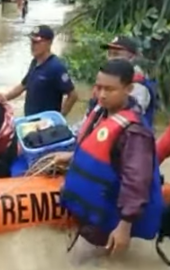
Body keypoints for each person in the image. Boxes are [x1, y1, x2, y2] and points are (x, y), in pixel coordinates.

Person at [55, 59, 163, 264]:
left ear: (128, 89)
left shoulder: (134, 133)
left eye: (110, 89)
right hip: (89, 209)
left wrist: (124, 226)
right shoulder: (101, 113)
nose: (102, 94)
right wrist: (71, 161)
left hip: (106, 216)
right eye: (99, 87)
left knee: (77, 263)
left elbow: (137, 181)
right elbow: (97, 153)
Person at [3, 25, 78, 117]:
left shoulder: (56, 67)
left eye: (37, 42)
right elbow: (23, 85)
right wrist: (4, 98)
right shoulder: (34, 62)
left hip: (46, 126)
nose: (32, 46)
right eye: (31, 42)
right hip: (30, 121)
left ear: (49, 43)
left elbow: (73, 95)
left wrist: (59, 117)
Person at [86, 36, 157, 129]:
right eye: (109, 54)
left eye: (116, 54)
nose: (111, 58)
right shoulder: (106, 81)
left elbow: (127, 120)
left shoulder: (139, 87)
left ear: (131, 57)